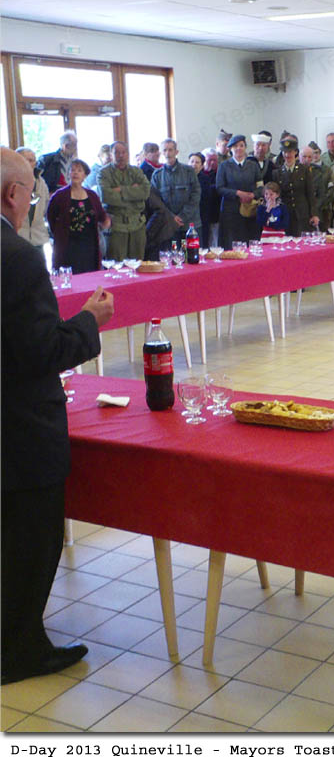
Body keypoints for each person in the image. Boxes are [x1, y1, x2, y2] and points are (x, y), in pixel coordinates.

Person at [2, 146, 113, 685]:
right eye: (31, 193)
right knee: (29, 543)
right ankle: (19, 650)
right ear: (12, 195)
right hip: (18, 429)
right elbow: (41, 351)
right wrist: (89, 321)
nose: (32, 203)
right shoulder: (19, 258)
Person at [48, 159, 109, 273]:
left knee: (89, 275)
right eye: (73, 170)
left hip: (89, 245)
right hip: (67, 245)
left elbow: (102, 216)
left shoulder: (92, 195)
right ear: (68, 174)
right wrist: (59, 233)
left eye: (79, 170)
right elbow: (51, 217)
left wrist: (105, 222)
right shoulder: (59, 196)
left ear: (85, 175)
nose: (75, 173)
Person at [97, 141, 151, 260]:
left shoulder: (136, 171)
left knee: (137, 265)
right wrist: (134, 193)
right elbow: (106, 196)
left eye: (124, 152)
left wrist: (121, 190)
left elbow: (146, 192)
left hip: (137, 225)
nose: (121, 155)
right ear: (111, 155)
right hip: (116, 227)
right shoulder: (103, 173)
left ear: (128, 154)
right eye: (117, 152)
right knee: (117, 266)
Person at [150, 138, 201, 247]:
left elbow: (195, 195)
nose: (168, 153)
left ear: (176, 152)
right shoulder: (157, 175)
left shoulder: (189, 171)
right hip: (169, 227)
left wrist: (182, 216)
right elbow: (156, 201)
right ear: (161, 153)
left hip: (190, 225)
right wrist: (172, 217)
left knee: (190, 254)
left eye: (170, 150)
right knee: (173, 255)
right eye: (165, 150)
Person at [214, 134, 261, 247]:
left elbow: (260, 187)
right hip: (230, 211)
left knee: (249, 243)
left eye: (241, 145)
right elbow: (219, 188)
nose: (238, 148)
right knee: (231, 245)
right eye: (235, 146)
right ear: (230, 149)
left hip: (250, 210)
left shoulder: (253, 165)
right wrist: (238, 193)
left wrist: (253, 195)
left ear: (245, 147)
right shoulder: (224, 166)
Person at [275, 139, 318, 235]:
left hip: (302, 214)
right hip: (285, 214)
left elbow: (310, 194)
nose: (287, 155)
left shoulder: (304, 170)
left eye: (290, 151)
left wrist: (314, 214)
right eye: (285, 152)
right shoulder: (277, 172)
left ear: (295, 152)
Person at [14, 148, 50, 249]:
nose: (29, 163)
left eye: (32, 160)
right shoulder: (9, 181)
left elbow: (46, 207)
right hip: (17, 237)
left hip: (37, 237)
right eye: (26, 160)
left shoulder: (41, 182)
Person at [37, 130, 77, 194]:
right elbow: (40, 183)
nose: (75, 148)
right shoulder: (47, 160)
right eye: (73, 145)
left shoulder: (76, 163)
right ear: (65, 146)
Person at [197, 149, 221, 247]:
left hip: (216, 213)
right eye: (209, 160)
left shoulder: (220, 172)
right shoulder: (198, 174)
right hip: (201, 213)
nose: (212, 163)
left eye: (215, 160)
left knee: (215, 241)